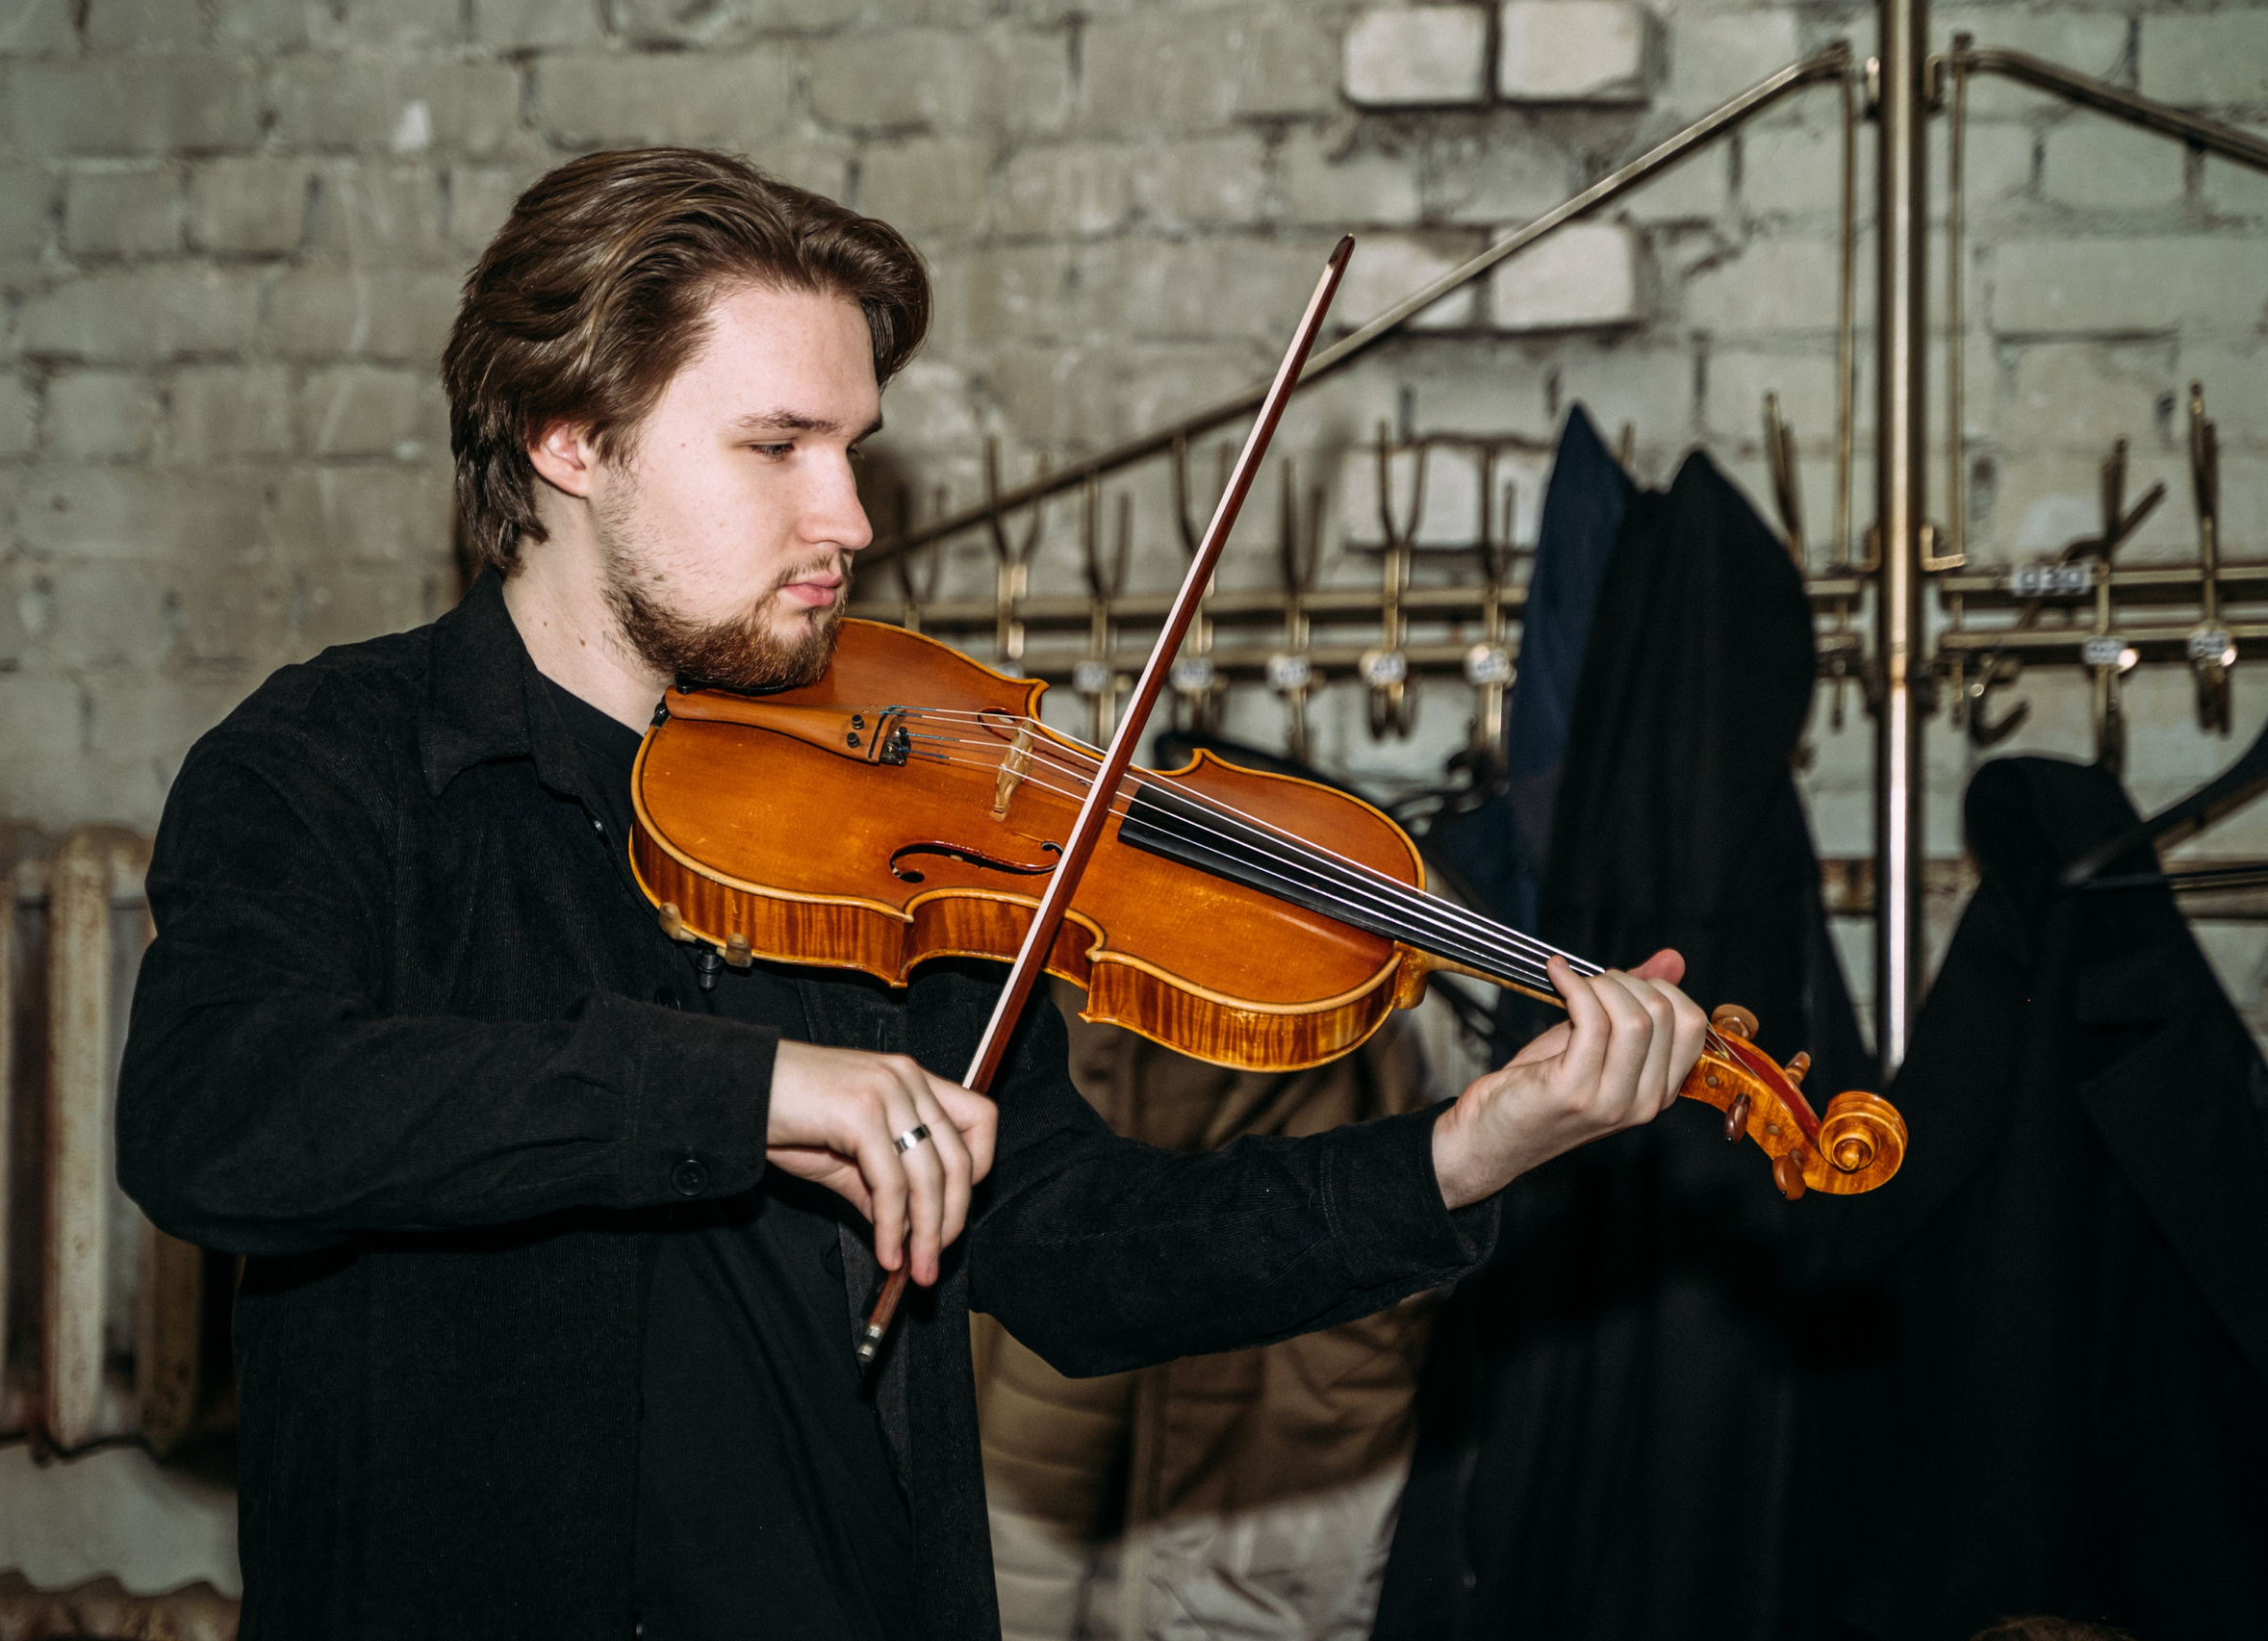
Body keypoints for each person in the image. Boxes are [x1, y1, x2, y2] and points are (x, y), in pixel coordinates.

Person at [115, 147, 1705, 1641]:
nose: (852, 520)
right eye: (774, 447)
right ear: (571, 440)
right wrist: (741, 1092)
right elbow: (219, 1111)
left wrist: (1462, 1154)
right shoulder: (334, 763)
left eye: (852, 449)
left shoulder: (899, 833)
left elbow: (1070, 1245)